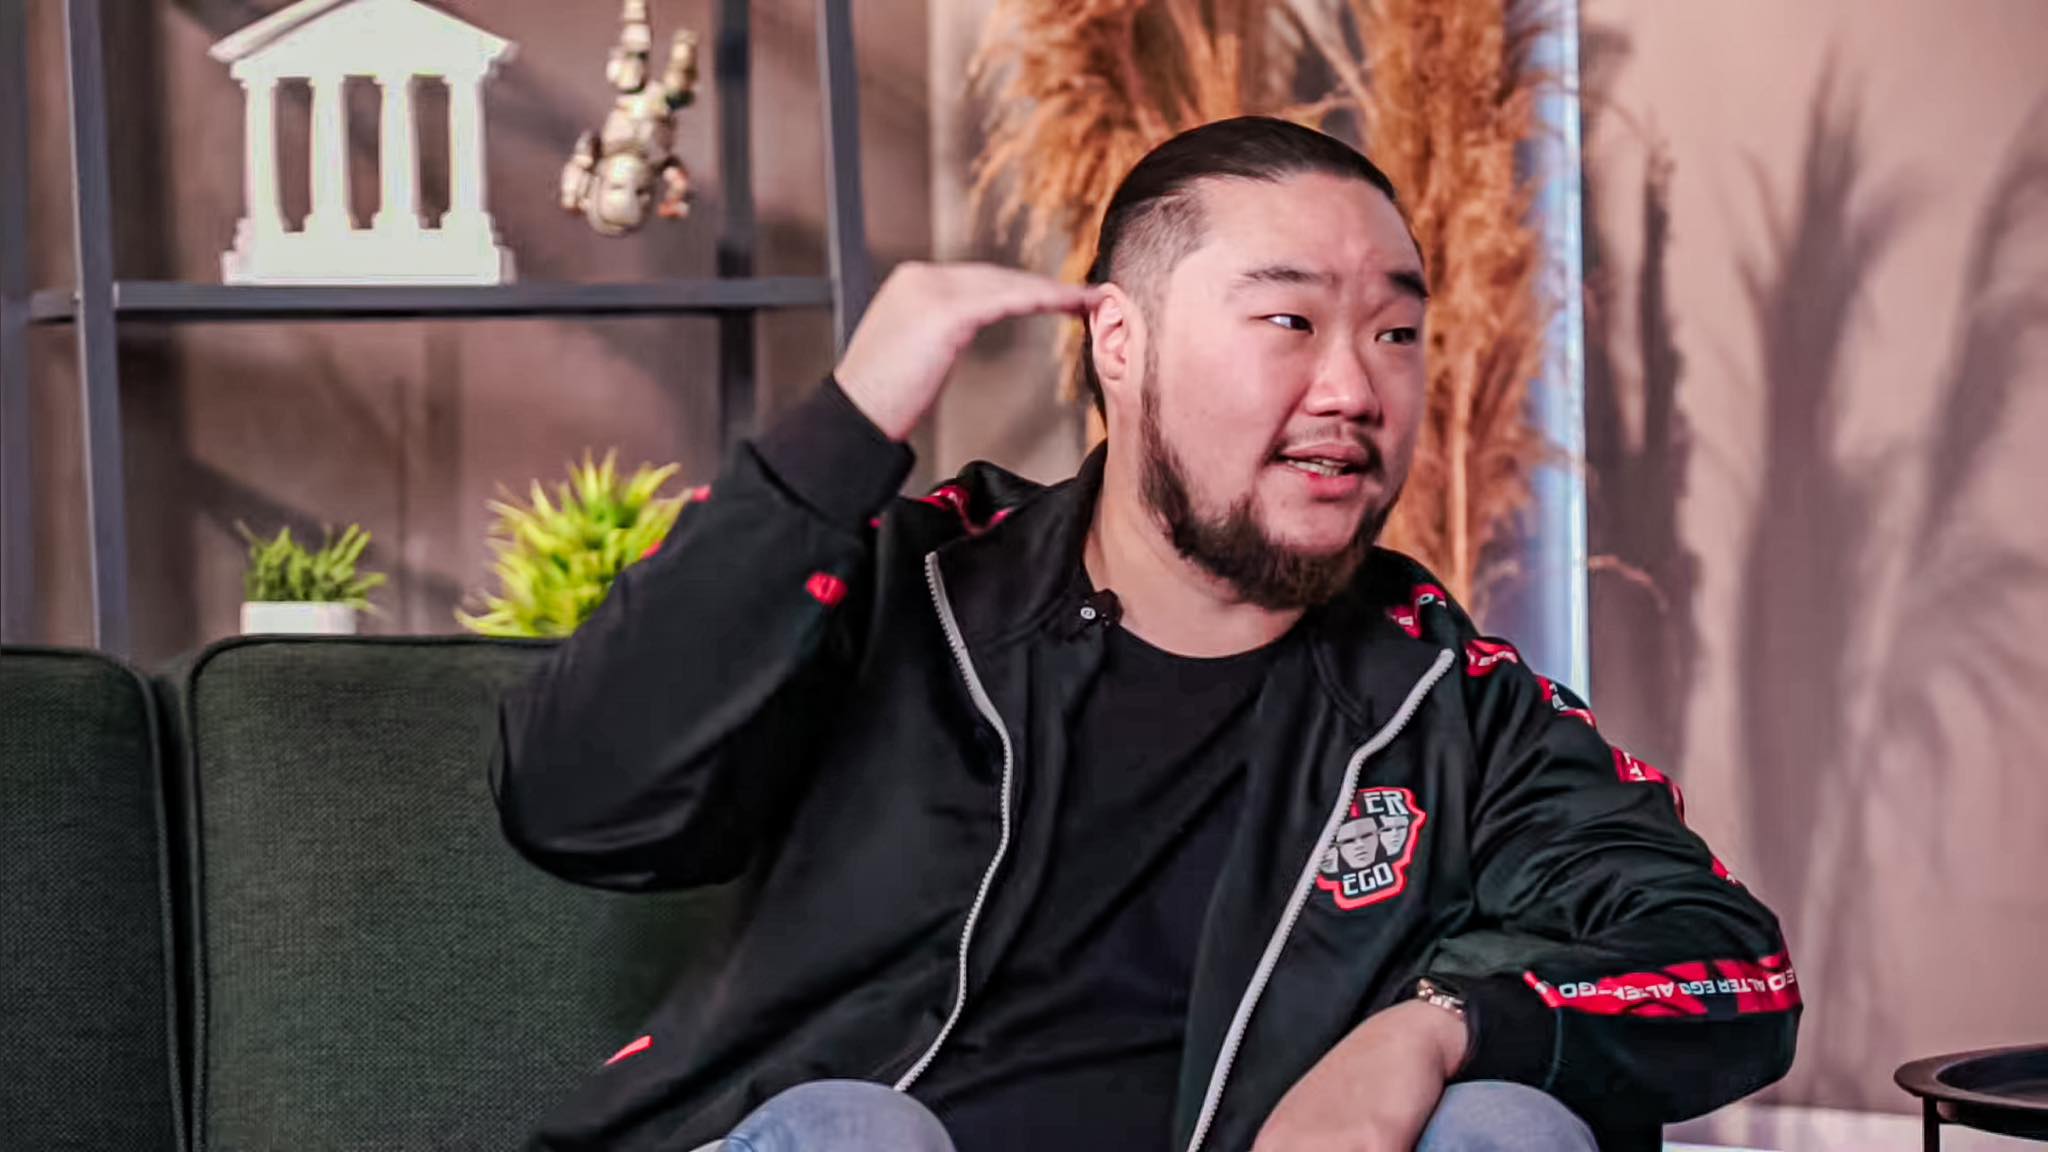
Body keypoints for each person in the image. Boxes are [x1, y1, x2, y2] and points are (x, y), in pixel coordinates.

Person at [494, 116, 1799, 1152]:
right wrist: (847, 426)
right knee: (855, 1132)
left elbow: (1732, 968)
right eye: (1290, 321)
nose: (1354, 387)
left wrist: (1434, 1029)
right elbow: (575, 802)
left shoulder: (1450, 701)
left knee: (1501, 1125)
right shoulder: (909, 586)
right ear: (1121, 344)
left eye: (1396, 331)